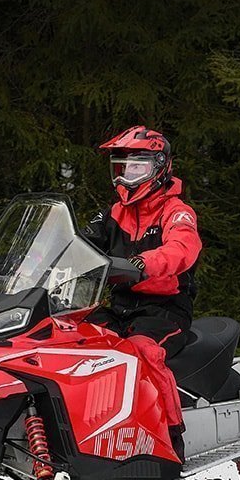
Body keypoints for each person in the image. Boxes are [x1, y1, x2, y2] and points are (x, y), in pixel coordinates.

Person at [82, 125, 202, 456]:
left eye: (137, 167)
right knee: (71, 342)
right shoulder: (113, 214)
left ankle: (171, 440)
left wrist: (141, 264)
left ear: (159, 166)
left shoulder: (175, 211)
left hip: (164, 310)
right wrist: (35, 260)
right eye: (121, 169)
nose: (126, 177)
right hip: (119, 308)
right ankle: (88, 436)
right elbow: (78, 244)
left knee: (143, 353)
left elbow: (182, 248)